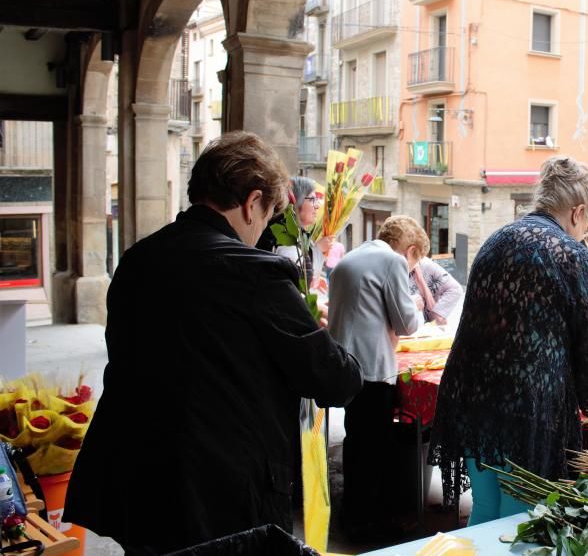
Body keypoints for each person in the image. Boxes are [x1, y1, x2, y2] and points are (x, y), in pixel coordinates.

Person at [65, 131, 363, 554]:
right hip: (220, 496)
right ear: (251, 201)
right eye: (266, 215)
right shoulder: (256, 274)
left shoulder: (138, 259)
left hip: (137, 479)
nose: (260, 231)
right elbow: (337, 380)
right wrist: (312, 328)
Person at [429, 156, 588, 526]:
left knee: (484, 509)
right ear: (577, 213)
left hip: (474, 398)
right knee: (518, 520)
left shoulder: (496, 240)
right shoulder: (573, 255)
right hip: (528, 410)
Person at [328, 215, 426, 540]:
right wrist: (415, 303)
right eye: (415, 267)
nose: (411, 272)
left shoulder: (352, 257)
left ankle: (352, 515)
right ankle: (367, 524)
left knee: (357, 444)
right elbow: (407, 324)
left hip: (344, 365)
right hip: (372, 369)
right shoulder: (393, 261)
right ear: (410, 251)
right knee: (372, 451)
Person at [409, 254, 464, 324]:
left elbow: (455, 289)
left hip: (421, 328)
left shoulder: (425, 265)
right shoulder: (395, 265)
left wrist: (420, 280)